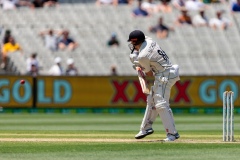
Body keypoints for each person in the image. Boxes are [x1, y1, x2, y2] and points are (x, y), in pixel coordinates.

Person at [128, 30, 180, 141]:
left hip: (165, 75)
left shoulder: (143, 56)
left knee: (160, 103)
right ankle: (146, 128)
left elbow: (149, 74)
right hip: (165, 73)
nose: (133, 46)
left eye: (134, 44)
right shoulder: (149, 40)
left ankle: (172, 134)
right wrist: (138, 62)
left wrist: (137, 63)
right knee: (151, 100)